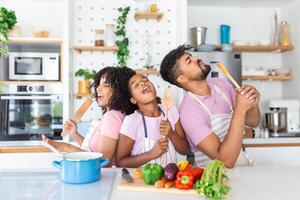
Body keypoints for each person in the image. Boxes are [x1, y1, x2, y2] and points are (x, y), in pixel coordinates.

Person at [160, 45, 260, 168]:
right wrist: (240, 108)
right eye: (189, 61)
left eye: (192, 56)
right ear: (182, 78)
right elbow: (225, 161)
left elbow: (253, 121)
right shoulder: (189, 112)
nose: (196, 58)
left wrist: (253, 102)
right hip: (215, 179)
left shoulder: (219, 84)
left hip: (242, 167)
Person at [43, 67, 136, 166]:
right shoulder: (117, 114)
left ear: (119, 90)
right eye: (98, 84)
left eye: (105, 85)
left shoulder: (112, 117)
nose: (98, 89)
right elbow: (92, 151)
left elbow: (103, 162)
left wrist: (65, 147)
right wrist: (74, 133)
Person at [116, 74, 190, 168]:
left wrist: (171, 134)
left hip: (169, 180)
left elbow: (184, 150)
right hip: (142, 181)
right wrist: (151, 154)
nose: (142, 83)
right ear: (133, 100)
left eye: (145, 80)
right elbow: (121, 163)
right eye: (136, 85)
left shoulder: (170, 110)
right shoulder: (131, 121)